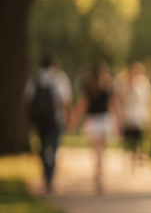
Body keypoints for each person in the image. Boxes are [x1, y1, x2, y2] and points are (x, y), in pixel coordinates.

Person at [24, 53, 72, 192]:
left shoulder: (35, 77)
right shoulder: (59, 77)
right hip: (56, 118)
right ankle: (51, 175)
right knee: (54, 146)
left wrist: (29, 118)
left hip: (40, 119)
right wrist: (68, 116)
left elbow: (27, 99)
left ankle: (46, 173)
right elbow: (65, 100)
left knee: (43, 145)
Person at [71, 61, 117, 194]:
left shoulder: (89, 88)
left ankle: (98, 174)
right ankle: (100, 175)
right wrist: (118, 121)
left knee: (96, 151)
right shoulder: (107, 87)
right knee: (102, 151)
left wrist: (74, 120)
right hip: (103, 120)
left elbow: (81, 105)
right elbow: (113, 105)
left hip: (92, 121)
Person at [119, 62, 151, 172]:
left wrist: (150, 115)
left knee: (139, 140)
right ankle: (131, 160)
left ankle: (137, 162)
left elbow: (148, 100)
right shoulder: (127, 83)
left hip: (140, 116)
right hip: (129, 116)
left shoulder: (144, 83)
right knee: (130, 140)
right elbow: (122, 99)